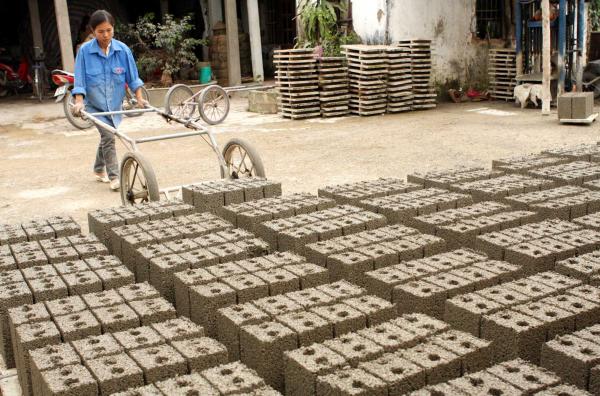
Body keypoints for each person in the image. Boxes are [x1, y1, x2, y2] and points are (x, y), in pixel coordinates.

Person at [72, 10, 146, 191]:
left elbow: (132, 77)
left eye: (109, 30)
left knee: (107, 136)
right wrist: (79, 101)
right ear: (92, 31)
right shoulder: (84, 52)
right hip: (94, 105)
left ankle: (98, 169)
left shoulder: (123, 50)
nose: (105, 35)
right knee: (108, 136)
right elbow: (79, 78)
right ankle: (115, 177)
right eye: (100, 32)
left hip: (114, 105)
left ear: (113, 29)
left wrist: (139, 98)